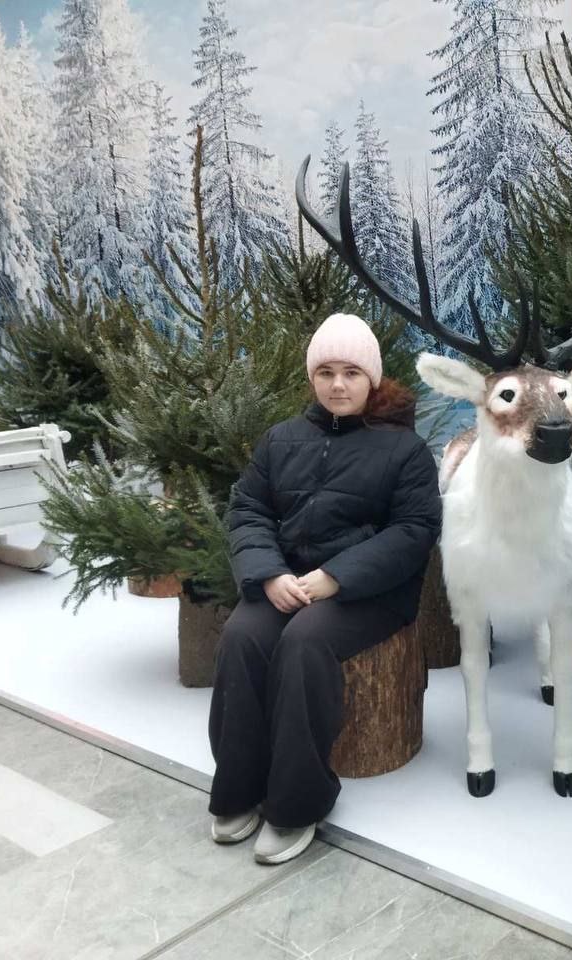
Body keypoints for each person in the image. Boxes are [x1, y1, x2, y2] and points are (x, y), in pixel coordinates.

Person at [207, 312, 441, 865]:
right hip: (288, 580)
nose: (338, 385)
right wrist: (269, 573)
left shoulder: (404, 450)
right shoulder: (280, 439)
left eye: (351, 373)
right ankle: (239, 787)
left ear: (372, 379)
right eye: (326, 372)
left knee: (304, 643)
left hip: (370, 592)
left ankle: (296, 804)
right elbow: (248, 509)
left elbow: (414, 531)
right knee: (241, 637)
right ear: (312, 377)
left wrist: (337, 577)